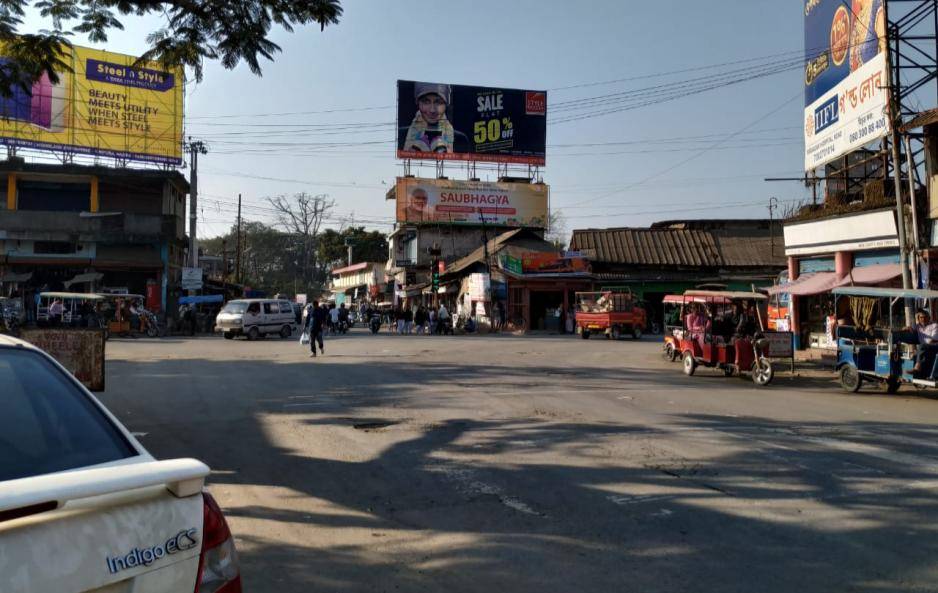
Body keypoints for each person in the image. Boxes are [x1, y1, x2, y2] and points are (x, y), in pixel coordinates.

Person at [402, 83, 455, 154]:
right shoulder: (403, 134)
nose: (432, 110)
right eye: (426, 102)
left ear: (446, 104)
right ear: (418, 103)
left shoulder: (458, 136)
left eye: (438, 102)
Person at [913, 309, 938, 376]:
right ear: (918, 319)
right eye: (921, 317)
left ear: (929, 318)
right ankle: (920, 374)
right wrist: (906, 328)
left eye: (925, 317)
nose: (923, 319)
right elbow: (910, 329)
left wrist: (921, 349)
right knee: (920, 349)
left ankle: (917, 367)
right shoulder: (917, 326)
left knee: (922, 347)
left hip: (934, 346)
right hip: (924, 347)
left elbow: (933, 340)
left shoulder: (934, 325)